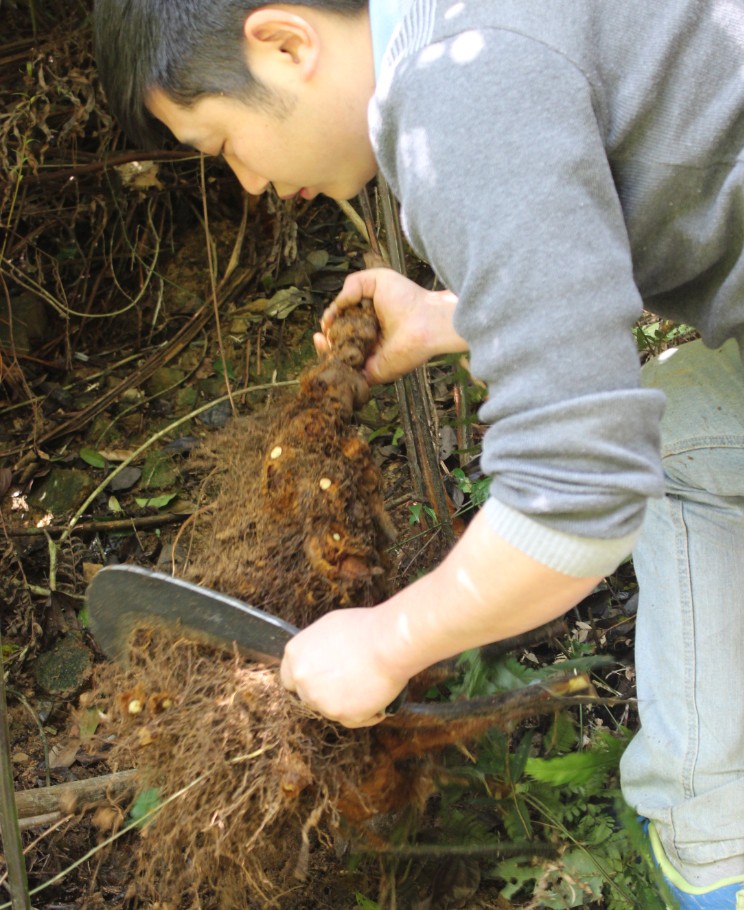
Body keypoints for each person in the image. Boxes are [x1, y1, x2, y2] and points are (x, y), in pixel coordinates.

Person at [93, 1, 744, 906]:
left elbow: (580, 487)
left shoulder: (455, 85)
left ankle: (718, 868)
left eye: (222, 145)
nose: (245, 182)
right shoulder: (477, 29)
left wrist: (390, 640)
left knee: (675, 444)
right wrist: (454, 316)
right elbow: (634, 204)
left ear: (284, 44)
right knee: (693, 422)